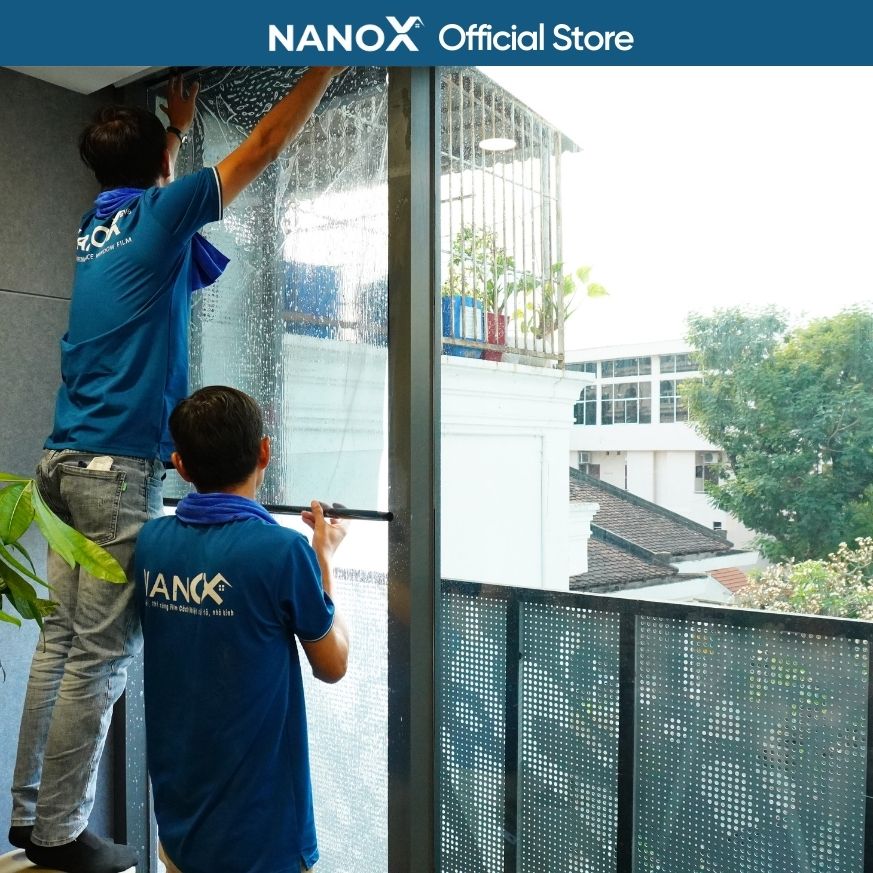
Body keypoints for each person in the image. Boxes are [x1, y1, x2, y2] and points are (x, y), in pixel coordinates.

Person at [9, 67, 345, 873]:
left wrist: (173, 131)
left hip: (61, 456)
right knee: (98, 657)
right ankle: (57, 832)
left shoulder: (97, 222)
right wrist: (327, 63)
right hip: (114, 465)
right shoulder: (155, 216)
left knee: (61, 642)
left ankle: (30, 814)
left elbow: (151, 185)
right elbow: (262, 145)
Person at [134, 385, 349, 873]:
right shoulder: (281, 551)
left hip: (180, 828)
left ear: (181, 465)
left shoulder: (152, 541)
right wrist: (325, 557)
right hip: (263, 838)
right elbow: (333, 665)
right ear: (264, 452)